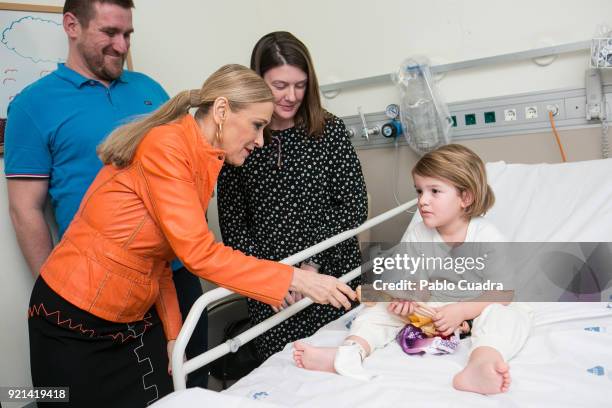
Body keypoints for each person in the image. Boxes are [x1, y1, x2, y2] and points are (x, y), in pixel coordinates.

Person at [27, 64, 356, 407]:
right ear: (222, 111)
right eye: (257, 125)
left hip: (129, 314)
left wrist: (173, 335)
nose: (260, 140)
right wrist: (295, 279)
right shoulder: (167, 148)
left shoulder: (200, 159)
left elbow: (159, 259)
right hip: (71, 315)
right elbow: (200, 255)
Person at [3, 0, 207, 388]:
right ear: (71, 26)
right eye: (109, 33)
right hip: (101, 291)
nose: (121, 45)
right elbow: (25, 210)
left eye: (127, 34)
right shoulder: (33, 105)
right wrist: (61, 298)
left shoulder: (150, 89)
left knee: (191, 385)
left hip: (175, 275)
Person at [293, 144, 533, 395]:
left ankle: (481, 363)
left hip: (477, 307)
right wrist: (408, 301)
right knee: (378, 310)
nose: (422, 201)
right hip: (434, 308)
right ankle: (350, 352)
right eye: (419, 191)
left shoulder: (487, 237)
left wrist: (461, 311)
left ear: (466, 197)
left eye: (434, 191)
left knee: (509, 317)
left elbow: (503, 293)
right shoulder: (420, 234)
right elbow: (419, 284)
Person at [217, 31, 368, 362]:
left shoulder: (329, 132)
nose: (291, 95)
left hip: (331, 273)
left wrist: (310, 268)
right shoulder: (239, 138)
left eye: (299, 85)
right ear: (258, 83)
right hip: (271, 289)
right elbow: (233, 224)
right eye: (279, 85)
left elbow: (353, 208)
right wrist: (273, 279)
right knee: (282, 372)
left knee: (339, 364)